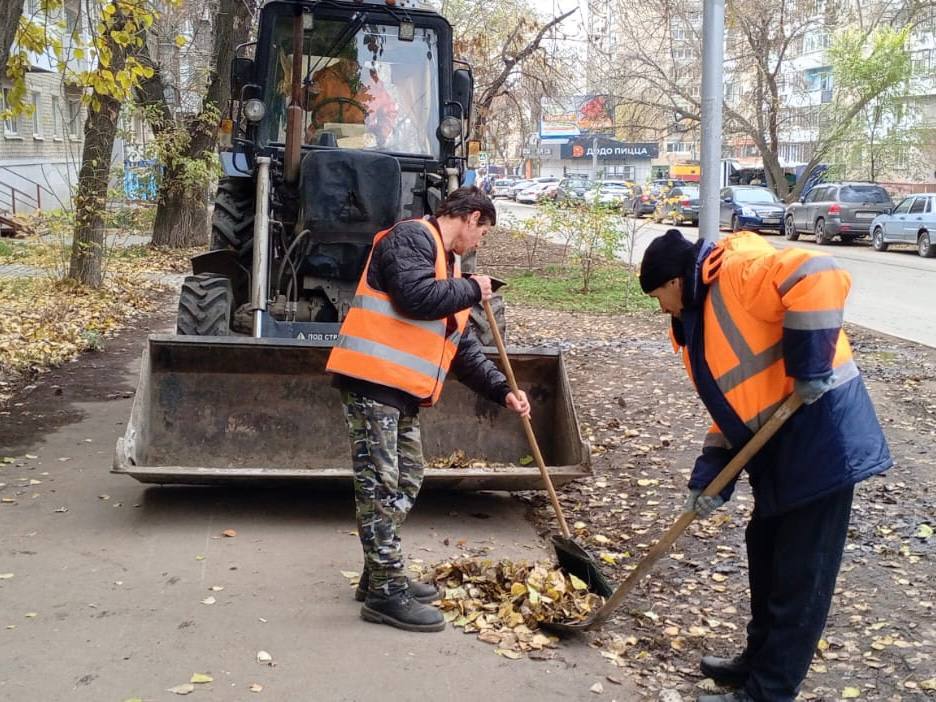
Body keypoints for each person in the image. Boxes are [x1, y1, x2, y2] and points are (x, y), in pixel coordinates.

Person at [639, 229, 891, 702]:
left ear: (675, 281)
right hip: (779, 448)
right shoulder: (699, 320)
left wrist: (809, 363)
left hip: (822, 439)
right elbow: (735, 408)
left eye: (659, 297)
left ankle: (770, 692)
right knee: (766, 552)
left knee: (799, 574)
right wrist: (711, 478)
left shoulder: (736, 272)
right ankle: (756, 662)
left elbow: (818, 273)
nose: (662, 309)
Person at [326, 186, 531, 633]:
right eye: (483, 233)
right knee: (381, 487)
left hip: (399, 393)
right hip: (371, 383)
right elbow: (414, 298)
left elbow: (460, 348)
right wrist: (471, 290)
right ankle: (385, 593)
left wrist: (502, 391)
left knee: (409, 477)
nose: (479, 244)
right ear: (472, 217)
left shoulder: (448, 264)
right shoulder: (411, 238)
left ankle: (380, 571)